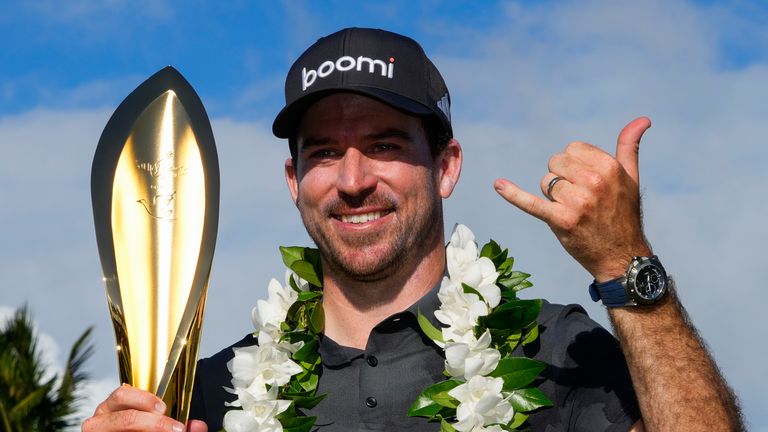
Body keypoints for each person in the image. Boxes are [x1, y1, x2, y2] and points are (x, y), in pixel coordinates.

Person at [82, 28, 744, 432]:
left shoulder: (557, 353)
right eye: (323, 153)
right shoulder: (210, 392)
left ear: (446, 166)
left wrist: (627, 265)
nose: (352, 179)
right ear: (293, 182)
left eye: (384, 144)